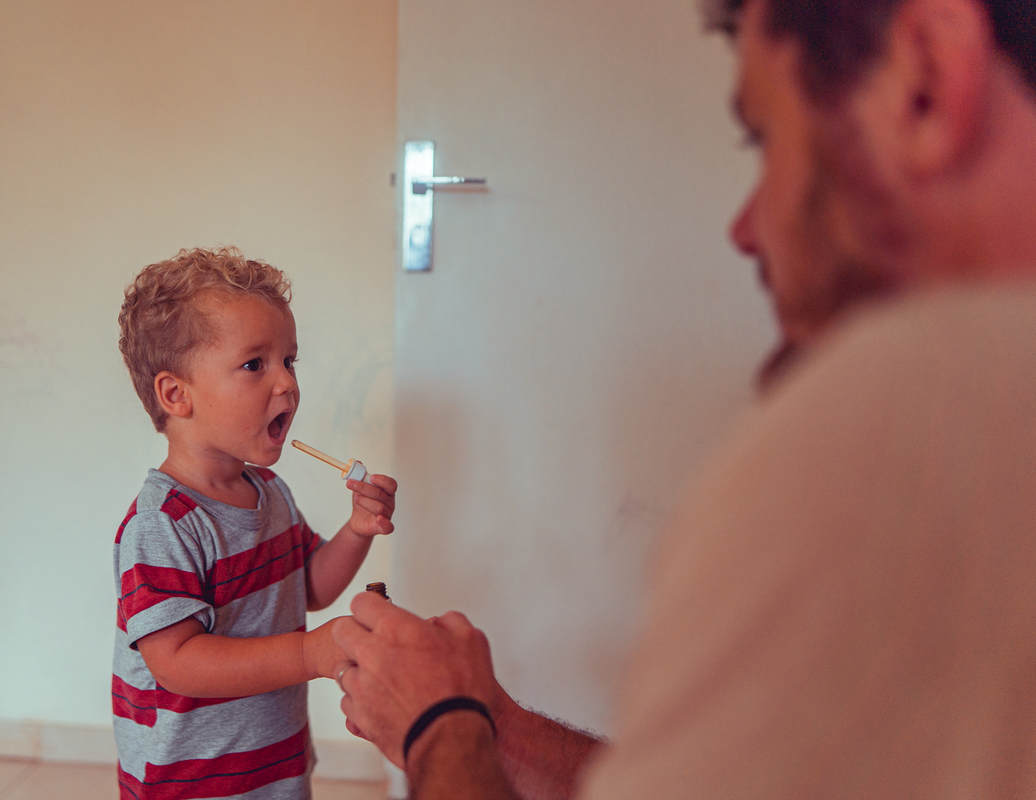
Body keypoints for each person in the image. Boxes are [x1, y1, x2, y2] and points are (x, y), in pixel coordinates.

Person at [332, 0, 1036, 797]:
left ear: (926, 81)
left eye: (766, 142)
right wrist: (494, 723)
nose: (744, 226)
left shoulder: (887, 417)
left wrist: (437, 730)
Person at [111, 246, 398, 799]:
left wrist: (357, 528)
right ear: (177, 395)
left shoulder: (270, 492)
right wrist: (312, 653)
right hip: (191, 782)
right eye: (254, 364)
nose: (287, 383)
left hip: (273, 765)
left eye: (289, 361)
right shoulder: (162, 523)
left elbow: (308, 586)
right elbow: (178, 663)